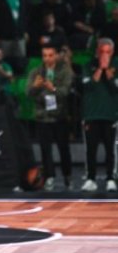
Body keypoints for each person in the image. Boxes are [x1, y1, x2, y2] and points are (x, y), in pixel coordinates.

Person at [26, 45, 74, 190]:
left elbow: (66, 92)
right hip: (42, 116)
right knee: (45, 149)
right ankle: (49, 177)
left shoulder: (65, 70)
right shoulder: (36, 72)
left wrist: (52, 88)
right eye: (45, 55)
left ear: (57, 55)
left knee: (63, 148)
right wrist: (35, 86)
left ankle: (67, 176)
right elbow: (28, 93)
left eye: (50, 55)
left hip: (60, 116)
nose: (47, 58)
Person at [80, 38, 118, 192]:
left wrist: (108, 71)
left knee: (110, 149)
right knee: (91, 149)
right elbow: (88, 85)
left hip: (110, 115)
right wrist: (100, 69)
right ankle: (90, 179)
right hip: (91, 114)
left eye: (107, 52)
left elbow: (115, 86)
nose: (104, 55)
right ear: (97, 51)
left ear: (112, 52)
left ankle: (111, 178)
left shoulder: (117, 65)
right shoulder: (88, 65)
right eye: (102, 51)